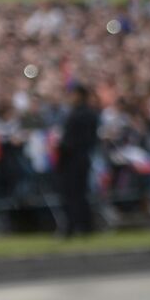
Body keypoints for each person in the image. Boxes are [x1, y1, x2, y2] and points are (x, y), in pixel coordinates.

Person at [58, 84, 100, 237]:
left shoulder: (76, 115)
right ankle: (85, 226)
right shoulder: (91, 114)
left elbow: (69, 141)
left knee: (71, 194)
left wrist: (60, 148)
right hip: (84, 157)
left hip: (72, 159)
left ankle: (72, 226)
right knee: (81, 193)